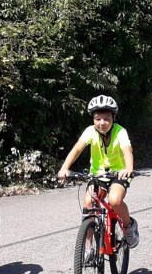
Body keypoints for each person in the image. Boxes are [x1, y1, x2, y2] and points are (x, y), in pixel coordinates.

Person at [56, 95, 139, 248]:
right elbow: (77, 150)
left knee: (114, 200)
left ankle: (129, 226)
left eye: (106, 119)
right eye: (97, 119)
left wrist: (128, 168)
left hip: (119, 174)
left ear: (113, 118)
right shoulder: (90, 131)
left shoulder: (120, 132)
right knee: (88, 205)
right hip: (97, 175)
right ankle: (88, 246)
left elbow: (127, 151)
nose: (102, 123)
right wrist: (64, 168)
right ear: (93, 119)